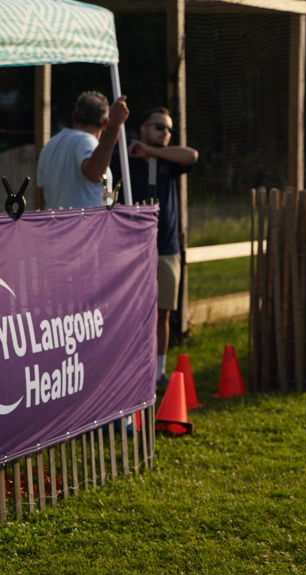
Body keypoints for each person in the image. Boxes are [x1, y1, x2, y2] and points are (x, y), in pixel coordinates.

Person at [111, 107, 199, 386]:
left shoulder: (168, 160)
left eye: (169, 129)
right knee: (130, 313)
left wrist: (152, 152)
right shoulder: (123, 158)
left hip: (167, 249)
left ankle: (158, 373)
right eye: (159, 127)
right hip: (131, 250)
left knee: (163, 313)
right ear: (143, 128)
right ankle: (129, 371)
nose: (165, 133)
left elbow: (192, 156)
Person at [36, 91, 129, 210]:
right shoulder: (86, 141)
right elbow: (95, 173)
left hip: (56, 221)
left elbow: (42, 200)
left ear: (74, 116)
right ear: (105, 124)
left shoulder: (49, 146)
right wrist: (115, 125)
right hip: (86, 221)